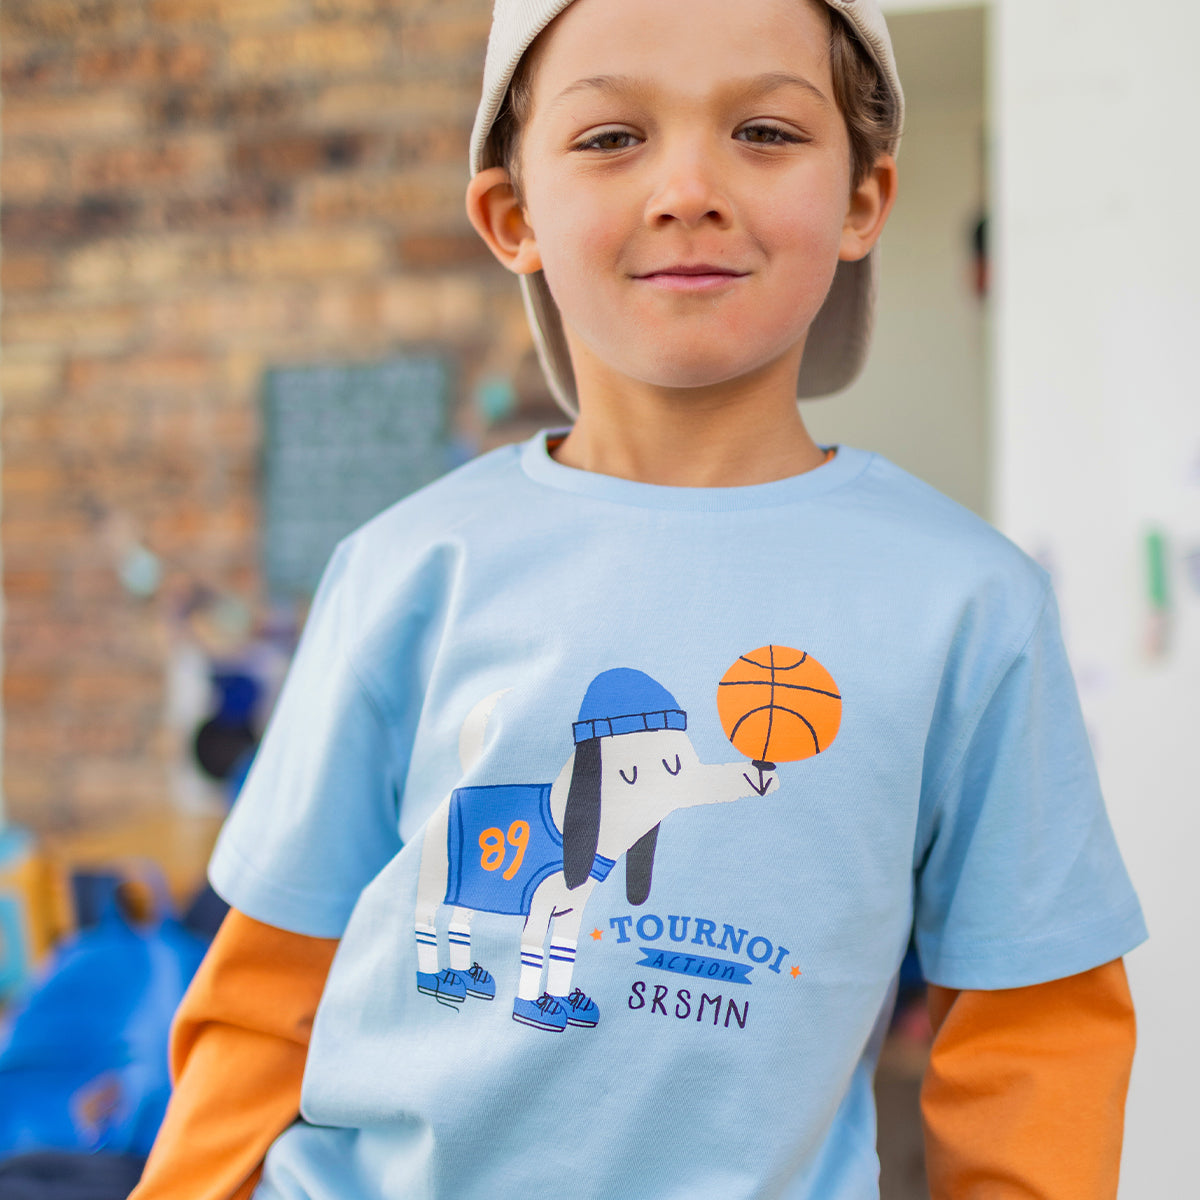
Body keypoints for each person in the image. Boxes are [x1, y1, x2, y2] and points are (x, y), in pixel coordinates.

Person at [131, 0, 1146, 1196]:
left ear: (865, 199)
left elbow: (1039, 1033)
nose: (689, 188)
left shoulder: (970, 608)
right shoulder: (407, 570)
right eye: (612, 138)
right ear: (513, 214)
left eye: (765, 131)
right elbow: (264, 998)